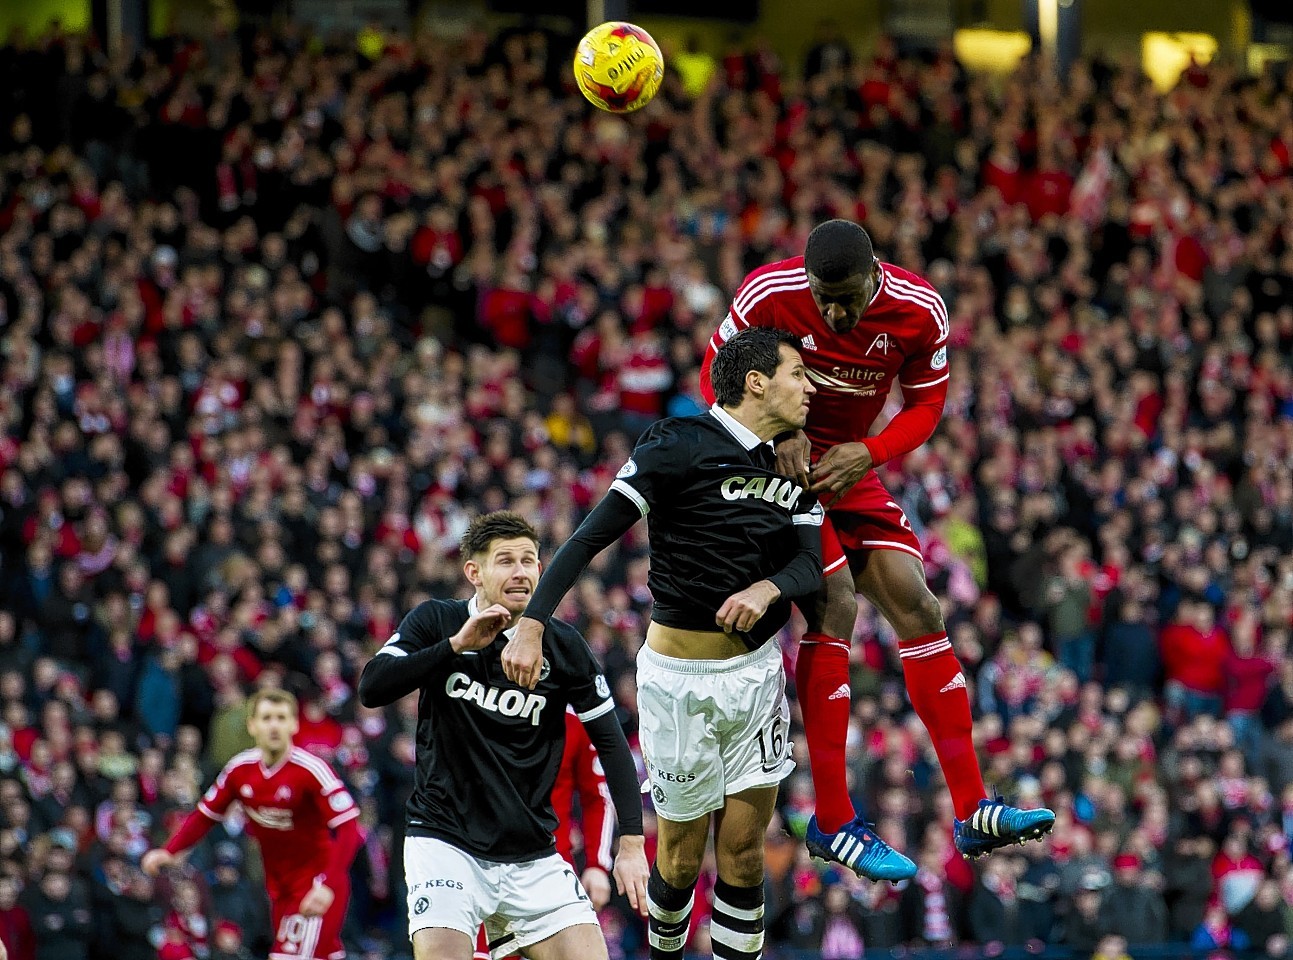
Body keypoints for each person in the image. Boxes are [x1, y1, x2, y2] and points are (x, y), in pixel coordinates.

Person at [697, 220, 1054, 873]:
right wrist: (771, 434)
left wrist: (872, 450)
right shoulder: (769, 293)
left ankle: (974, 809)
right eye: (822, 297)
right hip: (768, 469)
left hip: (848, 466)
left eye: (847, 298)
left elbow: (926, 404)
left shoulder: (917, 311)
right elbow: (712, 378)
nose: (833, 312)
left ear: (874, 275)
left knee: (919, 609)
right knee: (835, 603)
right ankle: (833, 821)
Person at [503, 327, 830, 960]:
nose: (810, 387)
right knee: (678, 856)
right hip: (680, 683)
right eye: (798, 375)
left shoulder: (792, 463)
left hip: (758, 675)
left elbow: (810, 565)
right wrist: (534, 621)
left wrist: (767, 589)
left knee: (742, 850)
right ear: (757, 383)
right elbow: (588, 538)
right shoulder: (676, 444)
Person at [356, 511, 649, 960]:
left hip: (532, 853)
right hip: (445, 842)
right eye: (505, 560)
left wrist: (630, 842)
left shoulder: (564, 645)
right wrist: (455, 647)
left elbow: (610, 744)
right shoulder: (438, 620)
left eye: (529, 561)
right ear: (474, 572)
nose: (520, 572)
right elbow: (373, 686)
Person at [142, 689, 364, 960]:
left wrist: (328, 884)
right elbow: (205, 815)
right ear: (252, 725)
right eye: (267, 717)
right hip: (280, 886)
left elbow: (349, 827)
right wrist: (170, 850)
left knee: (287, 957)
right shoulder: (239, 770)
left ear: (294, 724)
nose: (274, 725)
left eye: (281, 718)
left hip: (316, 885)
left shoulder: (311, 770)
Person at [472, 705, 615, 960]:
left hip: (550, 875)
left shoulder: (572, 718)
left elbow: (597, 796)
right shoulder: (478, 704)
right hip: (482, 870)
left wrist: (597, 865)